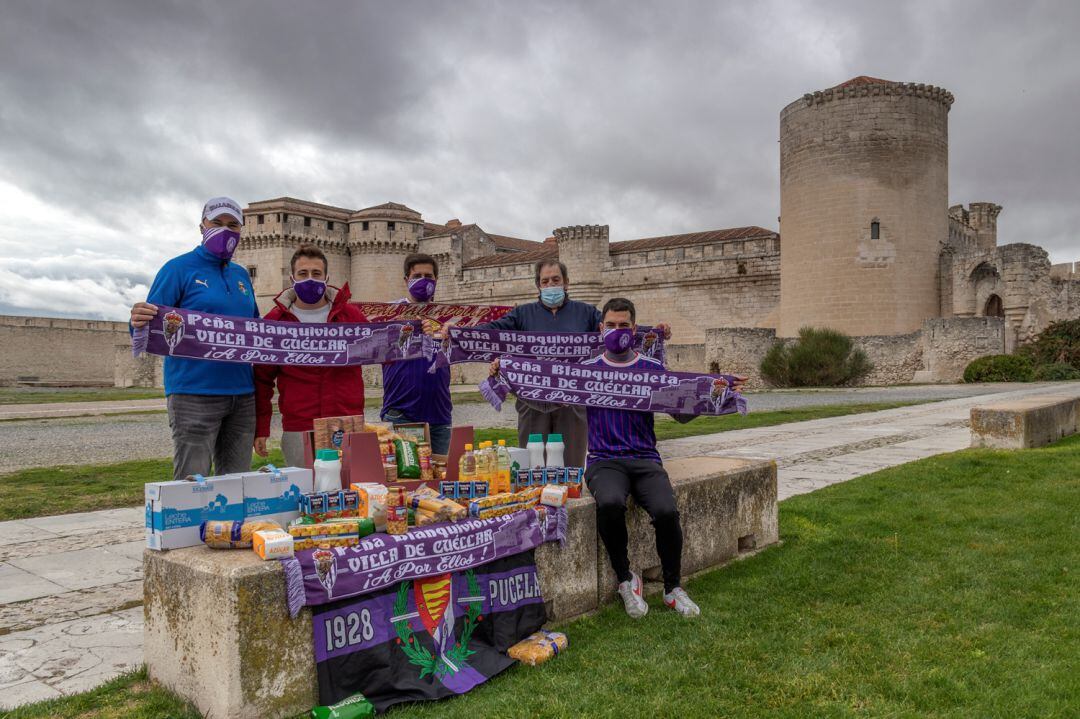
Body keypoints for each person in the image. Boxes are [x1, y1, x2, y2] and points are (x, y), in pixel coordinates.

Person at [478, 260, 671, 467]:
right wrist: (454, 333)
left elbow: (616, 329)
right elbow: (490, 332)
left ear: (566, 282)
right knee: (533, 466)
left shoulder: (585, 313)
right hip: (531, 401)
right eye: (545, 281)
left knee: (572, 466)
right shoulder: (522, 314)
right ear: (538, 285)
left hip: (573, 401)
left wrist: (654, 332)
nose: (551, 284)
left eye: (556, 279)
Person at [130, 197, 259, 481]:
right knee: (191, 484)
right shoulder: (177, 269)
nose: (225, 230)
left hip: (242, 394)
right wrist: (138, 320)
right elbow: (149, 326)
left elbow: (256, 330)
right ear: (202, 226)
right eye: (217, 223)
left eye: (232, 225)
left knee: (239, 483)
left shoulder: (241, 276)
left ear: (241, 231)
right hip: (193, 393)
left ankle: (231, 528)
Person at [253, 244, 368, 467]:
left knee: (350, 494)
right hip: (300, 425)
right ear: (292, 278)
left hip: (345, 421)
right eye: (303, 274)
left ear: (326, 277)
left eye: (316, 274)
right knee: (303, 494)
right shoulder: (275, 322)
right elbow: (261, 379)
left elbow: (383, 348)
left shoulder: (350, 315)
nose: (310, 279)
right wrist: (262, 427)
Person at [380, 253, 453, 454]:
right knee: (401, 478)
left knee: (442, 477)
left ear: (436, 280)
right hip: (401, 413)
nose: (423, 281)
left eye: (428, 276)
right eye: (417, 275)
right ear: (406, 280)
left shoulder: (449, 318)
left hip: (439, 414)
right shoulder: (389, 315)